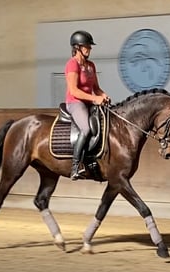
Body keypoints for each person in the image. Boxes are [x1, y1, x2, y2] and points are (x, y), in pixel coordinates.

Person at [65, 30, 109, 180]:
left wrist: (102, 95)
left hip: (89, 102)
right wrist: (94, 98)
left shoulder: (91, 65)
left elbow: (96, 88)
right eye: (86, 46)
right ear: (77, 47)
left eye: (89, 46)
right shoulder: (72, 64)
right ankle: (75, 167)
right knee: (86, 128)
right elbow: (74, 90)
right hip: (75, 102)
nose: (89, 49)